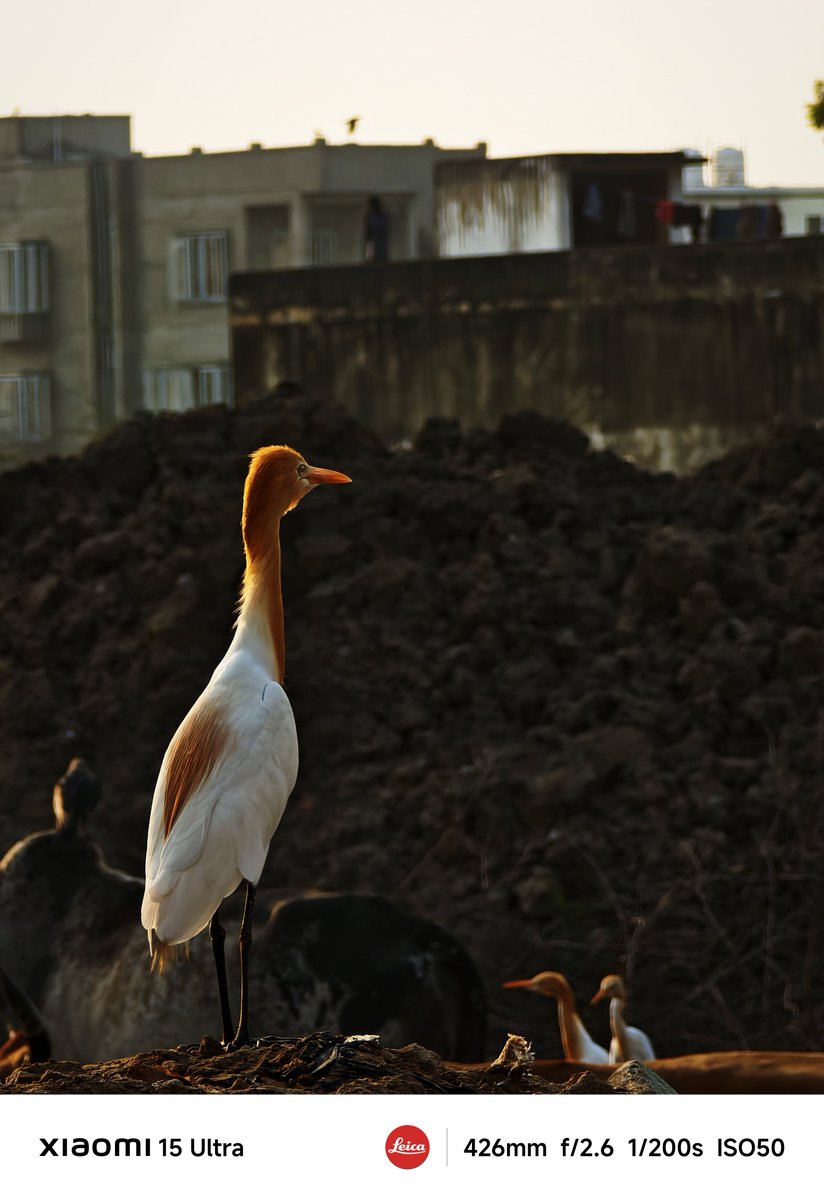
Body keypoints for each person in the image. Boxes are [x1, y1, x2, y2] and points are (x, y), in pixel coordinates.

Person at [364, 196, 390, 262]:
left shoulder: (384, 218)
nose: (372, 208)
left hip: (382, 246)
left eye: (373, 206)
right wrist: (369, 256)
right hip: (374, 247)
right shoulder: (370, 218)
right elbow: (369, 238)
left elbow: (385, 233)